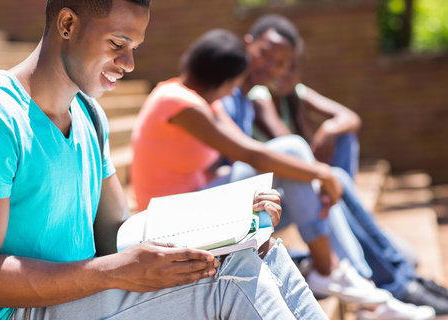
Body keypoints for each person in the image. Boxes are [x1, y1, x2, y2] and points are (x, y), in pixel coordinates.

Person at [0, 0, 331, 319]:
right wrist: (116, 272)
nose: (129, 64)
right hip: (12, 313)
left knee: (261, 252)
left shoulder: (89, 115)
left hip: (81, 295)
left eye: (134, 48)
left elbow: (116, 233)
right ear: (67, 25)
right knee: (233, 281)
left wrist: (227, 216)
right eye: (117, 45)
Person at [131, 28, 398, 311]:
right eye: (234, 84)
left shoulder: (202, 100)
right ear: (224, 79)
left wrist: (312, 176)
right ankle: (333, 271)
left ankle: (348, 276)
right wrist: (322, 172)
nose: (234, 91)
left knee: (299, 190)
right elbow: (249, 153)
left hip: (195, 204)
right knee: (292, 150)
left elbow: (244, 150)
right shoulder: (178, 101)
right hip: (171, 222)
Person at [221, 13, 448, 317]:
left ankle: (396, 279)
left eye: (282, 63)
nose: (272, 67)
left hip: (301, 195)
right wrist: (322, 174)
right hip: (273, 197)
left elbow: (350, 119)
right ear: (247, 44)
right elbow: (289, 154)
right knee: (329, 176)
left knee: (403, 252)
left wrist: (327, 132)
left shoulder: (287, 93)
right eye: (265, 54)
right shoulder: (252, 95)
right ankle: (384, 284)